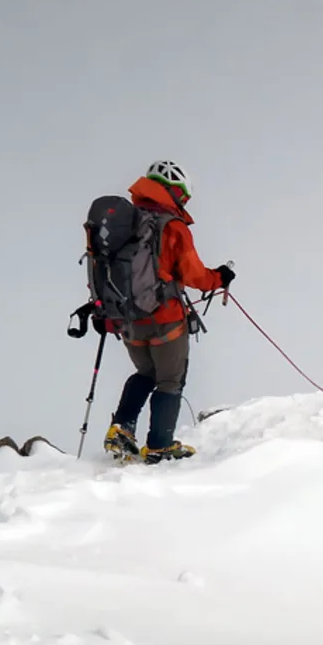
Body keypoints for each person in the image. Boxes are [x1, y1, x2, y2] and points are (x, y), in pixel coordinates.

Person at [101, 161, 234, 464]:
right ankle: (160, 445)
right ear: (174, 191)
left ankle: (121, 430)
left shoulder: (123, 224)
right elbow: (195, 275)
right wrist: (221, 277)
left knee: (145, 373)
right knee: (170, 380)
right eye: (183, 197)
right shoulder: (171, 226)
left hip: (127, 319)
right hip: (165, 319)